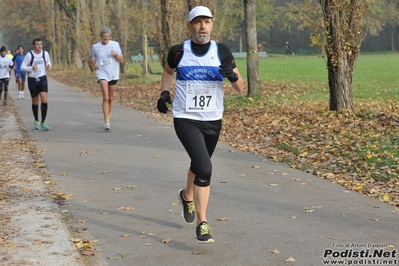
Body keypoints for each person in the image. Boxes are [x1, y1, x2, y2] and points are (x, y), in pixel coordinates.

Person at [157, 6, 244, 244]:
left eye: (206, 22)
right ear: (189, 26)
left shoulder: (222, 51)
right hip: (186, 118)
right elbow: (167, 72)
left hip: (213, 120)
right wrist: (164, 92)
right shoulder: (178, 52)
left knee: (198, 164)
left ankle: (187, 196)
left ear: (212, 25)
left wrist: (233, 76)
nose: (202, 27)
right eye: (197, 22)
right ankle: (203, 224)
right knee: (205, 168)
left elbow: (241, 88)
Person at [89, 26, 124, 131]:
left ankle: (108, 116)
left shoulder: (115, 45)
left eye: (108, 37)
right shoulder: (96, 47)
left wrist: (115, 55)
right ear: (101, 36)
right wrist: (94, 64)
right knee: (106, 97)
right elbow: (91, 57)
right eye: (104, 37)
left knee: (111, 98)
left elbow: (121, 60)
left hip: (113, 73)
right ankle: (106, 121)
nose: (106, 38)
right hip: (102, 73)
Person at [20, 38, 52, 131]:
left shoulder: (45, 53)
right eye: (37, 44)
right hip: (32, 80)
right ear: (34, 45)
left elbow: (48, 62)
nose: (39, 46)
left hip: (42, 78)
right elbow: (22, 67)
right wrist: (31, 68)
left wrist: (49, 66)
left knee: (44, 99)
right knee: (35, 102)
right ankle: (36, 120)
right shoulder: (29, 55)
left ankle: (44, 121)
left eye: (41, 44)